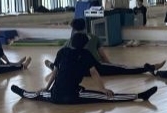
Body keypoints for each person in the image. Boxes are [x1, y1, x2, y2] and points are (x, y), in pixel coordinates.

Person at [11, 33, 157, 104]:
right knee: (107, 97)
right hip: (72, 96)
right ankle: (139, 96)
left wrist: (46, 88)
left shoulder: (63, 51)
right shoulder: (86, 54)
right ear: (85, 44)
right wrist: (102, 89)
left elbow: (55, 72)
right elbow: (94, 73)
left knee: (37, 94)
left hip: (55, 94)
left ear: (71, 42)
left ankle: (21, 91)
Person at [46, 18, 164, 77]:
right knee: (124, 69)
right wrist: (110, 64)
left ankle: (50, 64)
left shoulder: (68, 42)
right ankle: (150, 67)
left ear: (73, 29)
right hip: (94, 68)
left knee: (60, 67)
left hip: (76, 71)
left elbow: (62, 60)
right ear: (85, 27)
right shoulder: (93, 37)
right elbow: (102, 54)